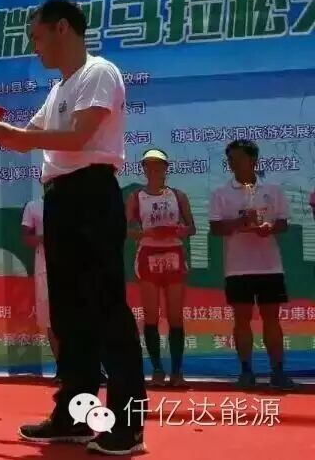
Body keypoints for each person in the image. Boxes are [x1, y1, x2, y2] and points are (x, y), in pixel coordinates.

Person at [0, 0, 146, 455]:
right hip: (60, 200)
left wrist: (12, 135)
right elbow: (26, 135)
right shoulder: (58, 89)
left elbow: (79, 136)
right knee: (69, 314)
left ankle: (129, 423)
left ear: (62, 28)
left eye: (37, 36)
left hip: (92, 194)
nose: (36, 47)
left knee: (105, 307)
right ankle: (75, 414)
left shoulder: (98, 73)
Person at [209, 139, 295, 390]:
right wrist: (240, 223)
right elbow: (215, 228)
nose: (233, 163)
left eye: (238, 158)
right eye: (230, 159)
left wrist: (269, 227)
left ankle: (278, 372)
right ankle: (246, 371)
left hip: (269, 266)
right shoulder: (221, 193)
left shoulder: (273, 189)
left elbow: (283, 223)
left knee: (272, 319)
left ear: (253, 160)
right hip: (238, 268)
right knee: (242, 320)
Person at [126, 149, 195, 387]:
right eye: (149, 165)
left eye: (158, 165)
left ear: (166, 168)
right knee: (151, 315)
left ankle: (177, 372)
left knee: (175, 316)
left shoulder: (178, 195)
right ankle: (157, 369)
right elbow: (128, 229)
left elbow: (191, 227)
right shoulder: (136, 197)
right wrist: (147, 233)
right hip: (148, 254)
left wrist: (180, 231)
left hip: (174, 253)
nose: (154, 170)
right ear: (143, 169)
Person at [20, 197, 59, 379]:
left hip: (73, 268)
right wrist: (44, 238)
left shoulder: (73, 203)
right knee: (52, 320)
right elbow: (26, 237)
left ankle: (84, 368)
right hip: (45, 268)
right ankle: (62, 367)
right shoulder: (33, 206)